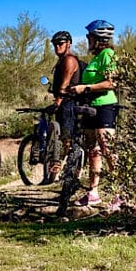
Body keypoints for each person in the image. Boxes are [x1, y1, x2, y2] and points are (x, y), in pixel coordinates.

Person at [66, 19, 120, 208]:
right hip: (91, 106)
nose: (87, 39)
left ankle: (119, 193)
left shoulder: (108, 54)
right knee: (93, 151)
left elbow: (111, 83)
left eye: (90, 36)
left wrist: (85, 88)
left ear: (98, 38)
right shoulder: (95, 58)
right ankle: (93, 192)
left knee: (107, 149)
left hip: (105, 105)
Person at [48, 30, 81, 180]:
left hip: (69, 103)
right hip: (63, 102)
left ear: (68, 44)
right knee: (62, 137)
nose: (57, 47)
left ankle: (71, 171)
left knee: (67, 137)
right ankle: (66, 170)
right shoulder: (61, 61)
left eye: (60, 43)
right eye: (55, 44)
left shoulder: (69, 60)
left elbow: (65, 83)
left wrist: (57, 102)